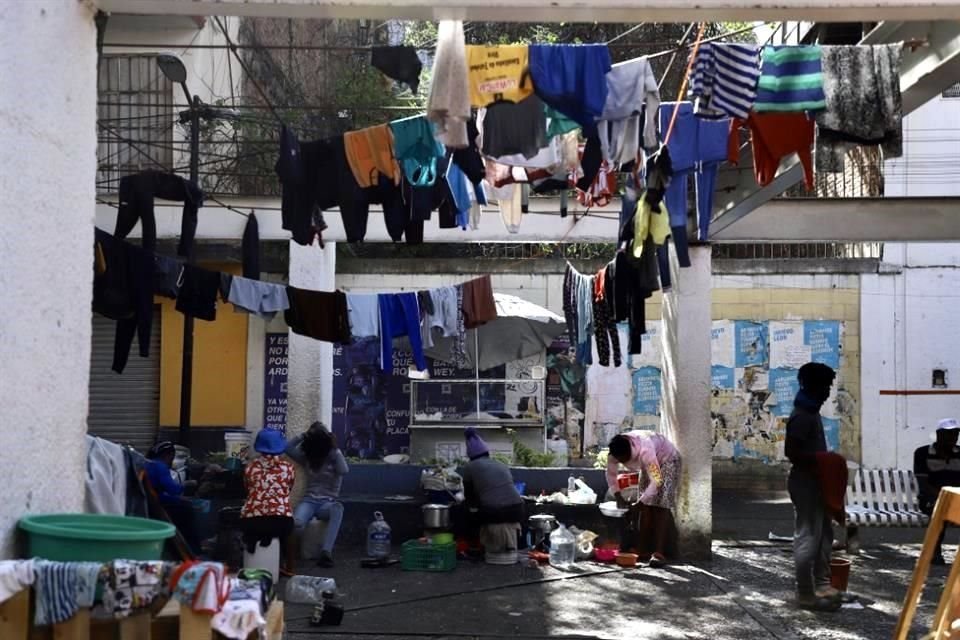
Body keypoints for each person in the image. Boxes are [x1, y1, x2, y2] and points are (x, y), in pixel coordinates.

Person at [785, 362, 841, 611]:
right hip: (805, 482)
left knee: (824, 536)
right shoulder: (802, 416)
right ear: (814, 386)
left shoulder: (812, 410)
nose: (829, 391)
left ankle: (823, 585)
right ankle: (805, 593)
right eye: (826, 386)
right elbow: (792, 452)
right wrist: (824, 461)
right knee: (808, 538)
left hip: (818, 481)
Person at [606, 430, 681, 567]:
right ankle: (642, 548)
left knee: (660, 505)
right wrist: (618, 496)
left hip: (668, 460)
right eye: (620, 460)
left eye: (624, 458)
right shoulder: (615, 452)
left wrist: (641, 502)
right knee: (645, 507)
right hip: (650, 465)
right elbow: (611, 475)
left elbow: (657, 481)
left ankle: (658, 553)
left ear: (630, 450)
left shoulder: (646, 450)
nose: (622, 462)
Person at [285, 422, 349, 568]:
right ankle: (289, 556)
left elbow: (344, 470)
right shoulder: (308, 457)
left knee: (337, 508)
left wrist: (335, 447)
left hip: (327, 503)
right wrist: (304, 435)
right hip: (309, 501)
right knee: (297, 524)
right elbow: (287, 448)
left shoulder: (333, 455)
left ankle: (326, 552)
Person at [239, 428, 296, 575]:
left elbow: (248, 489)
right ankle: (289, 567)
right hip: (281, 522)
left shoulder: (250, 468)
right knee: (289, 528)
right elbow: (288, 489)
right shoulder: (289, 468)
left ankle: (249, 560)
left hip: (252, 522)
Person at [460, 428, 525, 558]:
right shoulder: (500, 464)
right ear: (487, 452)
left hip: (496, 512)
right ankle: (519, 545)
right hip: (518, 509)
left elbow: (470, 497)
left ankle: (474, 547)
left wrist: (469, 505)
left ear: (470, 455)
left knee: (466, 515)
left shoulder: (469, 468)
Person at [914, 418, 960, 565]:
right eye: (948, 434)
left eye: (955, 434)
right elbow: (924, 483)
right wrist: (945, 497)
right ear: (939, 435)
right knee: (938, 509)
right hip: (932, 497)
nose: (952, 438)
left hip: (957, 498)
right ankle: (935, 551)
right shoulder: (922, 453)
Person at [144, 441, 200, 554]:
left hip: (151, 500)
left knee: (183, 503)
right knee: (187, 510)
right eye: (172, 457)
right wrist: (186, 485)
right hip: (158, 504)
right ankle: (193, 549)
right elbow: (172, 489)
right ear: (167, 455)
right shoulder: (160, 466)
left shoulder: (149, 464)